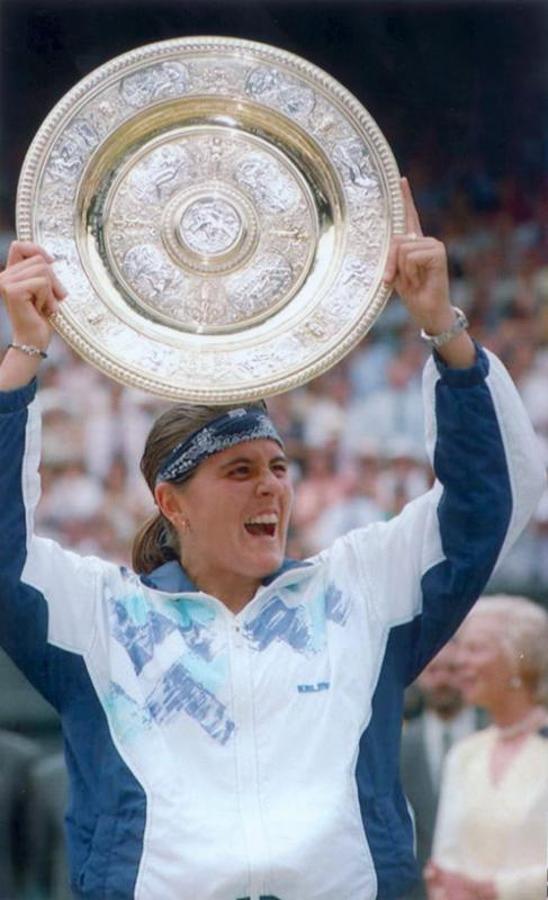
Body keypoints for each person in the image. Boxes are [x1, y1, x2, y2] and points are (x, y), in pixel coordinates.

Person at [0, 178, 544, 900]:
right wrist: (22, 359)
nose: (272, 487)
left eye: (280, 468)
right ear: (173, 503)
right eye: (239, 471)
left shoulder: (357, 595)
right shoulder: (99, 621)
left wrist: (442, 327)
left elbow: (492, 505)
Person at [427, 596, 548, 900]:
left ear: (519, 658)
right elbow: (444, 864)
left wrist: (500, 890)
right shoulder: (465, 754)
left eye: (475, 649)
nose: (459, 661)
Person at [400, 641, 485, 899]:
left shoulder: (496, 733)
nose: (443, 679)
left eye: (452, 670)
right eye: (433, 670)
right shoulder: (399, 745)